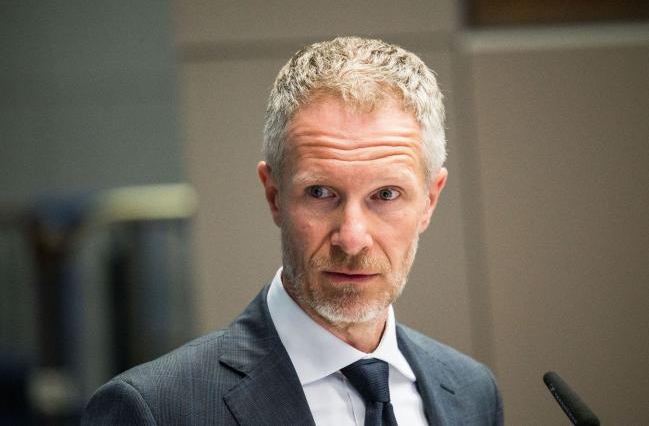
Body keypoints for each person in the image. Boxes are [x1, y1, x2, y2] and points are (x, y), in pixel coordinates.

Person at [82, 36, 503, 426]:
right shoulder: (155, 409)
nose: (352, 238)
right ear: (274, 195)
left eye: (386, 195)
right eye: (321, 192)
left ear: (430, 200)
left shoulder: (471, 393)